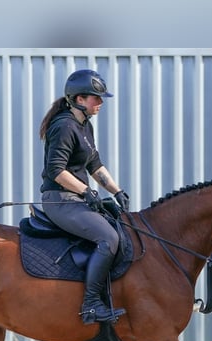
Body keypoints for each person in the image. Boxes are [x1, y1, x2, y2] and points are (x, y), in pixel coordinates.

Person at [39, 69, 130, 324]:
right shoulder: (65, 126)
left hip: (76, 198)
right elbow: (55, 170)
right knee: (108, 237)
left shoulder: (84, 125)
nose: (100, 103)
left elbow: (95, 165)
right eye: (96, 98)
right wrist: (85, 191)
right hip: (61, 200)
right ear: (79, 99)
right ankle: (90, 305)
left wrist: (117, 190)